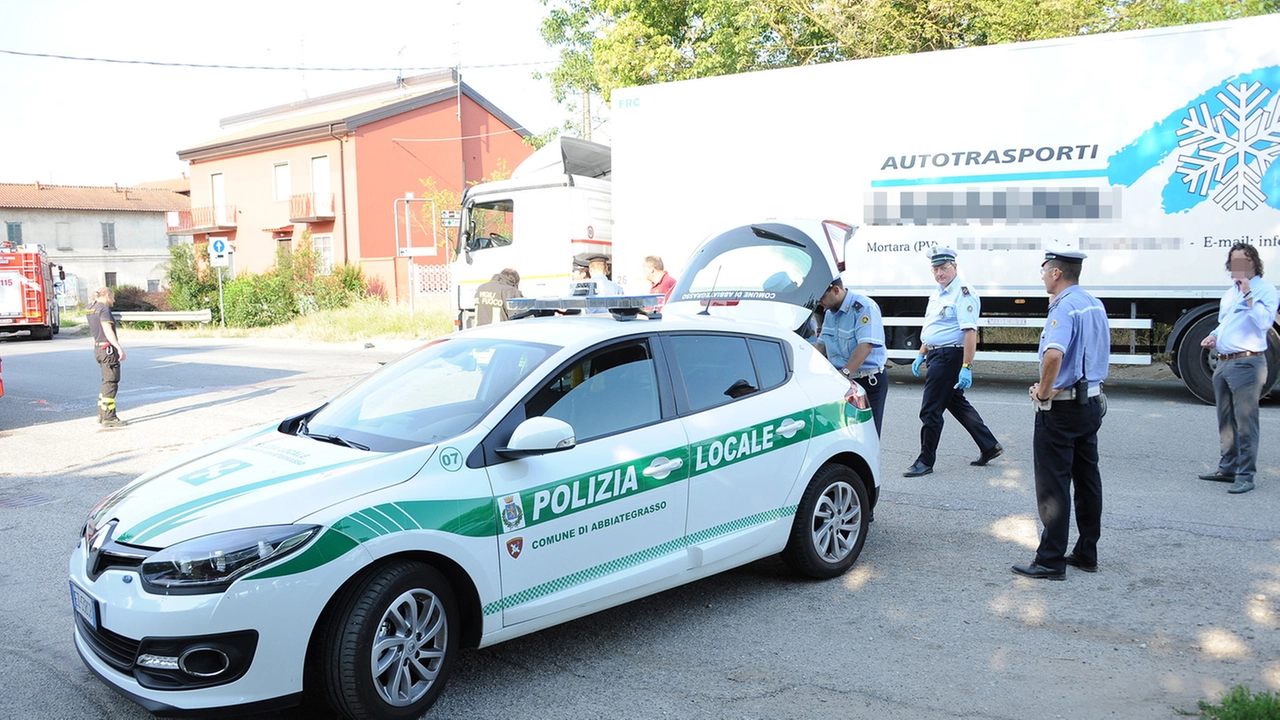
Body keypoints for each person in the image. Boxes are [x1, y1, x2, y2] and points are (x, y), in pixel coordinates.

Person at [1013, 247, 1110, 580]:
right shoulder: (1093, 303)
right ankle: (1086, 552)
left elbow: (1054, 355)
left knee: (1053, 484)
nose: (1041, 277)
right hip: (1091, 402)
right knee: (1087, 481)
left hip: (1063, 407)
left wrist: (1042, 390)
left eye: (1043, 271)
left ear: (1056, 273)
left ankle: (1050, 560)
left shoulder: (1064, 307)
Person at [905, 247, 1002, 476]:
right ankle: (989, 445)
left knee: (930, 410)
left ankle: (925, 461)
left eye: (944, 268)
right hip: (936, 354)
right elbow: (933, 327)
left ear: (955, 267)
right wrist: (921, 352)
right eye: (936, 269)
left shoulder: (963, 293)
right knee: (955, 402)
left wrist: (967, 366)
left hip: (949, 357)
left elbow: (969, 332)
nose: (940, 273)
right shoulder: (938, 293)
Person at [1197, 242, 1278, 495]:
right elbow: (1226, 323)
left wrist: (1248, 294)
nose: (1237, 267)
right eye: (1233, 262)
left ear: (1254, 263)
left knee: (1245, 422)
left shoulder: (1265, 290)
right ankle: (1227, 468)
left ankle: (1246, 475)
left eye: (1243, 261)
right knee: (1225, 421)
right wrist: (1213, 335)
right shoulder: (1230, 292)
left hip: (1247, 363)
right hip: (1224, 362)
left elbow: (1264, 322)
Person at [815, 278, 888, 434]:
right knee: (844, 434)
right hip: (843, 382)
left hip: (866, 381)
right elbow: (820, 346)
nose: (819, 302)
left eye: (822, 297)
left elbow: (866, 346)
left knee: (868, 435)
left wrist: (844, 374)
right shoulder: (829, 313)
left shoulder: (864, 308)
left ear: (835, 290)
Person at [87, 286, 127, 427]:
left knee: (106, 382)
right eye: (113, 297)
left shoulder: (91, 308)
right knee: (111, 382)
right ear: (108, 295)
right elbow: (107, 329)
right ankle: (109, 417)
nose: (114, 300)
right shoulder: (104, 309)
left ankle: (101, 413)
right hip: (107, 349)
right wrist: (118, 347)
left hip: (98, 348)